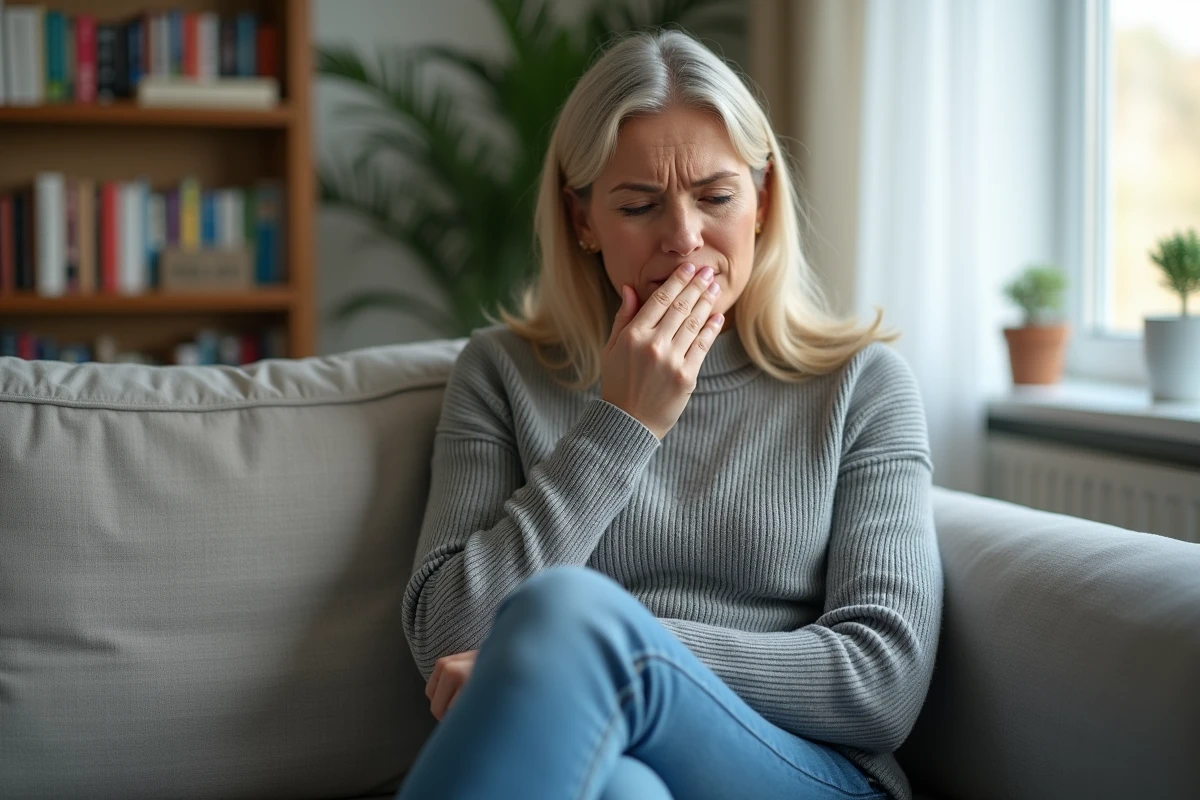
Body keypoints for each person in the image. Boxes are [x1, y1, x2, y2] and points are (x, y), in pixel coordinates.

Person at [397, 28, 942, 800]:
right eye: (640, 204)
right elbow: (447, 645)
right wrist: (621, 425)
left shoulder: (862, 385)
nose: (684, 238)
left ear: (762, 202)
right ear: (582, 219)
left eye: (716, 197)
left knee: (568, 613)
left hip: (807, 773)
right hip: (609, 768)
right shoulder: (501, 373)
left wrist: (612, 649)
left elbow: (881, 683)